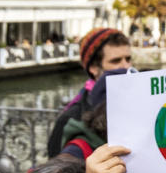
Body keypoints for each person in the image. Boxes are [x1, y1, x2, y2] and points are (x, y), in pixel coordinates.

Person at [45, 27, 131, 158]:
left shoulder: (138, 102)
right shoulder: (71, 118)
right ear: (93, 68)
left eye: (128, 59)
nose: (126, 67)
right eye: (116, 61)